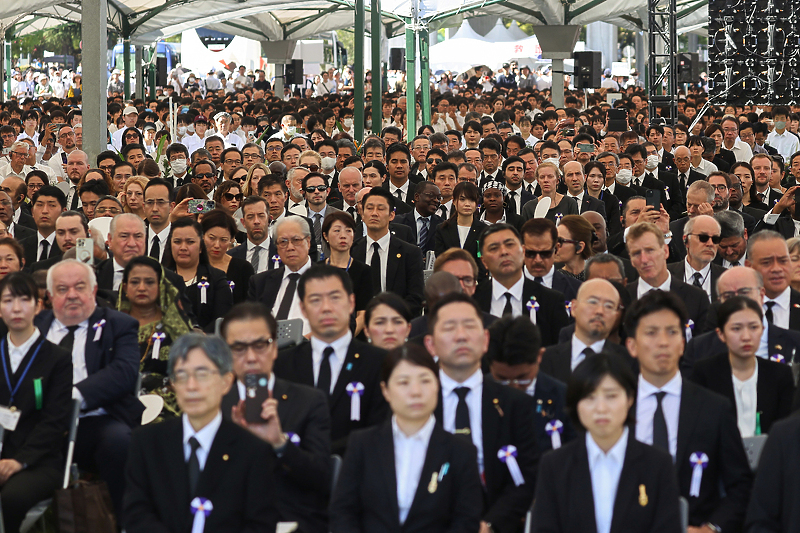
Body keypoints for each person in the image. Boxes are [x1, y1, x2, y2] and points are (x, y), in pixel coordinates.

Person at [122, 333, 279, 533]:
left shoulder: (253, 451)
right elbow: (136, 515)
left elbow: (261, 525)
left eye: (202, 374)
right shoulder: (146, 443)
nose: (191, 386)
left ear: (226, 381)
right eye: (182, 375)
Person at [625, 290, 753, 532]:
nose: (663, 342)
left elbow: (741, 486)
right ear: (631, 345)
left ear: (683, 343)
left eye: (672, 332)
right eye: (651, 333)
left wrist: (711, 528)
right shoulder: (616, 407)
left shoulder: (714, 407)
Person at [330, 343, 483, 532]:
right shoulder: (362, 444)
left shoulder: (461, 451)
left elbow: (466, 520)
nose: (416, 392)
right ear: (385, 390)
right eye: (403, 382)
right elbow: (343, 512)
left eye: (425, 381)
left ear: (438, 385)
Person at [37, 259, 142, 521]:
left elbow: (124, 373)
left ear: (93, 291)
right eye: (62, 289)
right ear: (50, 296)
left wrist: (74, 395)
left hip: (94, 420)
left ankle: (120, 522)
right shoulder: (34, 326)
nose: (72, 294)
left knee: (119, 444)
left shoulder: (118, 325)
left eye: (79, 287)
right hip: (37, 420)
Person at [424, 292, 539, 533]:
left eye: (469, 326)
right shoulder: (416, 402)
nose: (461, 336)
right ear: (430, 344)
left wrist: (489, 526)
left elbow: (528, 477)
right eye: (449, 327)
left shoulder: (515, 404)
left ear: (485, 339)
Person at [531, 352, 682, 533]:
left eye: (611, 396)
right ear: (575, 404)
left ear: (629, 399)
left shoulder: (658, 465)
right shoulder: (554, 466)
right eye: (589, 397)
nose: (601, 408)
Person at [221, 302, 333, 532]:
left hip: (291, 521)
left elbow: (323, 479)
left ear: (274, 348)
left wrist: (280, 444)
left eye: (260, 345)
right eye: (239, 348)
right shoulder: (214, 406)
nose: (251, 357)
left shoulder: (309, 401)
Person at [273, 265, 388, 455]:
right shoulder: (283, 364)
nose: (326, 308)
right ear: (303, 308)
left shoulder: (379, 363)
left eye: (335, 298)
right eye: (315, 300)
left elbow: (381, 430)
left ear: (351, 303)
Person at [0, 272, 72, 533]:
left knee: (12, 497)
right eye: (8, 300)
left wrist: (19, 461)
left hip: (39, 461)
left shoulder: (57, 359)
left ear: (39, 305)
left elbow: (55, 421)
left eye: (24, 299)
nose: (16, 308)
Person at [690, 296, 794, 437]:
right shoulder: (704, 372)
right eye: (736, 328)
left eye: (753, 327)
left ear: (763, 329)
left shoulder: (780, 374)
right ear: (721, 334)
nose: (746, 336)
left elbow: (786, 430)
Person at [488, 315, 577, 454]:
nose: (513, 387)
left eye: (522, 378)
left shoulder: (564, 400)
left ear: (540, 356)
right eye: (502, 379)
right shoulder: (477, 396)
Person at [118, 256, 193, 418]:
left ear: (160, 286)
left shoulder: (174, 327)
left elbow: (188, 371)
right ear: (125, 287)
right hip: (119, 400)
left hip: (167, 401)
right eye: (135, 282)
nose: (142, 288)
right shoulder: (113, 326)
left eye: (150, 282)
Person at [473, 223, 570, 347]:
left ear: (523, 251)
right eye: (494, 248)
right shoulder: (473, 300)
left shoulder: (551, 301)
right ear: (484, 261)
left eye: (509, 245)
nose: (504, 252)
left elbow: (561, 353)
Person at [625, 222, 711, 334]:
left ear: (665, 251)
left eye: (650, 250)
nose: (644, 259)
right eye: (636, 253)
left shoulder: (697, 298)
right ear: (631, 260)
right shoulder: (623, 298)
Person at [541, 278, 633, 383]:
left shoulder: (628, 362)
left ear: (616, 315)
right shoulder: (546, 359)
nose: (600, 311)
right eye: (593, 302)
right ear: (574, 308)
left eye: (609, 306)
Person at [350, 188, 425, 316]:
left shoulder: (410, 253)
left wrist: (389, 316)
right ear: (362, 214)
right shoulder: (352, 251)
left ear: (392, 215)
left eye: (380, 209)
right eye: (369, 208)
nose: (374, 213)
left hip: (397, 322)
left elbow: (415, 299)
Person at [165, 217, 233, 332]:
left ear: (201, 247)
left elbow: (223, 318)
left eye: (190, 242)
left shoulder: (216, 279)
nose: (183, 248)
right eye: (177, 242)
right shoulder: (160, 278)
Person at [321, 210, 373, 334]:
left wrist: (346, 336)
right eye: (337, 230)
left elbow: (363, 313)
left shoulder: (364, 271)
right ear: (325, 235)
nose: (343, 236)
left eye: (348, 230)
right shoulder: (316, 270)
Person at [200, 209, 254, 304]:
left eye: (223, 240)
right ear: (203, 236)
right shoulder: (191, 265)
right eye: (212, 238)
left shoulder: (243, 268)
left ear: (231, 239)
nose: (217, 245)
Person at [520, 218, 582, 300]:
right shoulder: (508, 287)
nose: (538, 260)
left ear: (557, 248)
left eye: (545, 253)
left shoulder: (576, 290)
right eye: (531, 253)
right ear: (522, 250)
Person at [433, 181, 488, 269]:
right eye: (462, 199)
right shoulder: (443, 229)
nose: (467, 204)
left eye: (471, 200)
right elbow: (441, 259)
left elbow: (483, 261)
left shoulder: (484, 230)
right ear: (454, 201)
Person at [554, 215, 596, 281]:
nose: (555, 246)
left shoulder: (596, 278)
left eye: (560, 241)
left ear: (580, 247)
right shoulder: (552, 280)